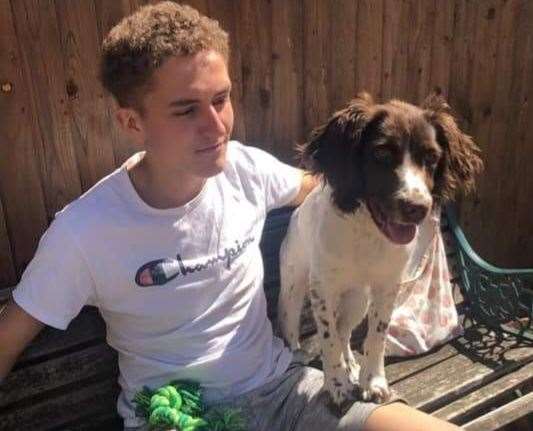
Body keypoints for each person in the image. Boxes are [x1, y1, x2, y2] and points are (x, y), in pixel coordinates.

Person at [0, 2, 460, 430]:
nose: (216, 126)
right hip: (177, 414)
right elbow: (10, 335)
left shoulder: (245, 169)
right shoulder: (85, 231)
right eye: (187, 110)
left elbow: (322, 185)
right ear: (131, 123)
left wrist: (400, 196)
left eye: (221, 99)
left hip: (286, 392)